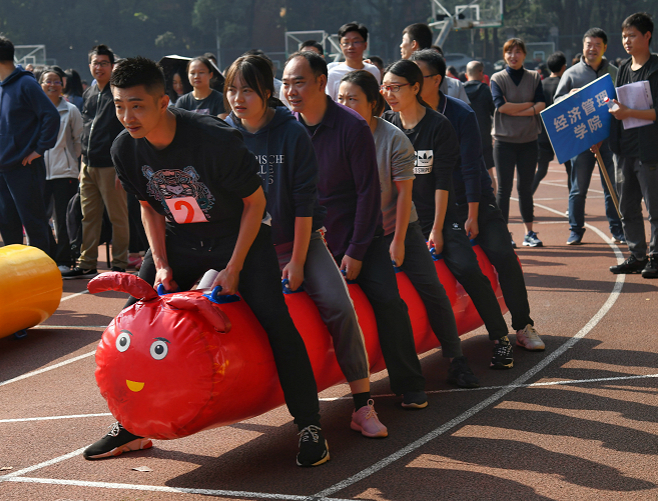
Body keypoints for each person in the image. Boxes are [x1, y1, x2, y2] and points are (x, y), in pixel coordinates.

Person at [83, 56, 330, 467]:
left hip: (238, 237)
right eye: (120, 106)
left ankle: (309, 424)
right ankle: (130, 424)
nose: (127, 116)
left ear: (163, 102)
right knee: (131, 323)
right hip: (180, 241)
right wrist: (161, 263)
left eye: (137, 106)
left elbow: (255, 205)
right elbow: (148, 207)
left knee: (276, 323)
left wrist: (234, 268)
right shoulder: (124, 147)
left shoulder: (213, 138)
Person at [225, 54, 388, 437]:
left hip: (300, 239)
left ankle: (362, 404)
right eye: (231, 90)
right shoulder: (224, 133)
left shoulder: (291, 132)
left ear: (265, 92)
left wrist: (297, 261)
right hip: (245, 245)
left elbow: (304, 204)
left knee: (339, 306)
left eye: (247, 90)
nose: (237, 99)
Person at [283, 50, 429, 409]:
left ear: (321, 82)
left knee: (389, 302)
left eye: (299, 82)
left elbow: (368, 193)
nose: (291, 91)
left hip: (359, 236)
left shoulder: (351, 126)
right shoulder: (287, 128)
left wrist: (357, 250)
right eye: (286, 84)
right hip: (307, 239)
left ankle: (409, 382)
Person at [338, 68, 480, 387]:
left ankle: (456, 358)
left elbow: (404, 195)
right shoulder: (335, 137)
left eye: (353, 99)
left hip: (396, 225)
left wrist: (399, 240)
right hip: (354, 233)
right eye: (341, 99)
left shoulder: (392, 138)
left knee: (430, 287)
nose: (345, 106)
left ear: (373, 103)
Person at [408, 49, 545, 360]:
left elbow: (471, 166)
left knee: (503, 254)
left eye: (418, 77)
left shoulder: (459, 113)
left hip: (473, 198)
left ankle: (523, 325)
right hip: (432, 207)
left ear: (436, 80)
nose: (411, 84)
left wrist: (472, 214)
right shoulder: (403, 116)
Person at [602, 12, 658, 278]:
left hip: (649, 150)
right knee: (627, 207)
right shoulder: (623, 68)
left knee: (655, 207)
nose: (626, 41)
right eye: (624, 36)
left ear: (647, 36)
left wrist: (629, 112)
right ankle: (637, 255)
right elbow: (616, 105)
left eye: (632, 35)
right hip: (624, 149)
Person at [0, 34, 59, 255]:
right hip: (4, 165)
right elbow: (7, 120)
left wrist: (39, 149)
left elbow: (51, 115)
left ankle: (44, 267)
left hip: (24, 166)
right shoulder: (3, 85)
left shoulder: (25, 83)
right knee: (7, 221)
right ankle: (15, 268)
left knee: (33, 222)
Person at [63, 44, 130, 278]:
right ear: (89, 65)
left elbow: (126, 131)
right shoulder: (89, 93)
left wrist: (122, 167)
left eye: (104, 63)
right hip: (88, 164)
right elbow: (86, 127)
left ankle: (120, 263)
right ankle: (87, 262)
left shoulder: (118, 94)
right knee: (88, 216)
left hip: (111, 165)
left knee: (117, 216)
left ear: (111, 66)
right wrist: (82, 162)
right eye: (95, 63)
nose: (99, 67)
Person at [554, 28, 624, 246]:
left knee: (611, 187)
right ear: (583, 47)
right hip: (582, 139)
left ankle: (617, 230)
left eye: (597, 45)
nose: (592, 49)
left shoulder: (614, 72)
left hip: (608, 140)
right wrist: (568, 96)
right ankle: (575, 230)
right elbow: (556, 102)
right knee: (578, 188)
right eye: (588, 44)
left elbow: (622, 101)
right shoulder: (571, 74)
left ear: (604, 47)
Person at [490, 38, 546, 247]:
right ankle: (503, 234)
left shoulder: (534, 77)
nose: (513, 56)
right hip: (504, 141)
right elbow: (501, 106)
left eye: (517, 52)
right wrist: (529, 107)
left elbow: (541, 104)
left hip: (528, 140)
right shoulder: (497, 78)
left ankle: (529, 233)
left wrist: (518, 110)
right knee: (504, 189)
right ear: (504, 55)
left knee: (525, 188)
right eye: (509, 52)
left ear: (524, 54)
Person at [40, 66, 83, 273]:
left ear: (62, 84)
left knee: (63, 218)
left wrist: (69, 160)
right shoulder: (35, 109)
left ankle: (64, 259)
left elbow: (78, 141)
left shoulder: (71, 110)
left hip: (64, 172)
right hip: (39, 171)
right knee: (39, 217)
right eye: (48, 81)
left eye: (56, 81)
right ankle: (48, 255)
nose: (52, 85)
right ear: (40, 84)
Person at [530, 51, 565, 195]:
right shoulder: (564, 85)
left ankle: (527, 196)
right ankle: (573, 204)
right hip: (563, 134)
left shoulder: (541, 85)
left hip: (543, 133)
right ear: (564, 67)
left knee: (541, 170)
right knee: (572, 170)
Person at [325, 22, 381, 101]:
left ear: (365, 45)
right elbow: (328, 103)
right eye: (346, 43)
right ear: (341, 46)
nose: (350, 47)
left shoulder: (373, 71)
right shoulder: (333, 74)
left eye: (356, 42)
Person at [464, 61, 497, 192]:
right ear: (481, 73)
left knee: (466, 172)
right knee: (489, 172)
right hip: (483, 137)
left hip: (465, 138)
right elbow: (495, 112)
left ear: (466, 75)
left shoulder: (461, 90)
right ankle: (493, 201)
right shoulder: (485, 90)